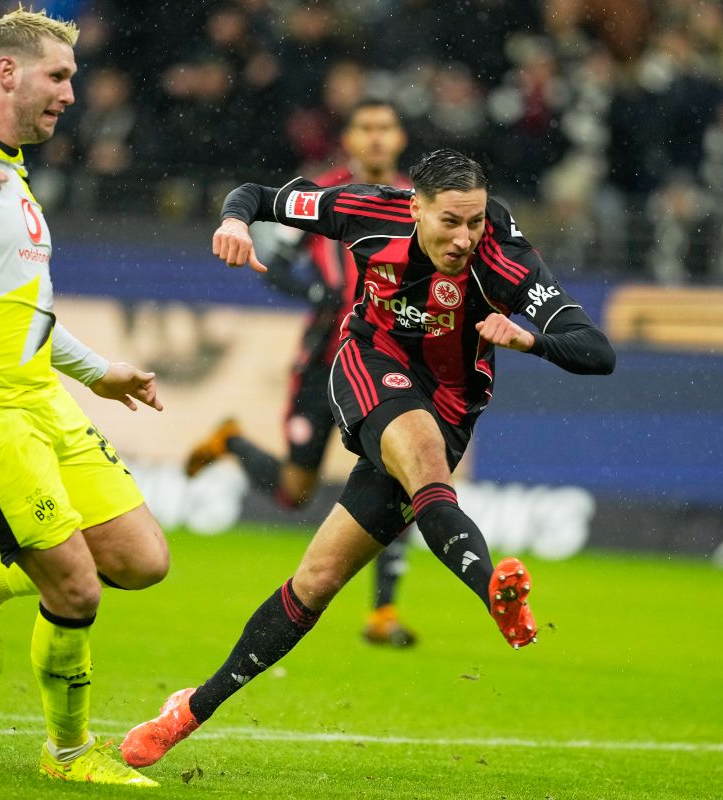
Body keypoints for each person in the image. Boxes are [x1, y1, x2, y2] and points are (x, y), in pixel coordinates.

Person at [121, 148, 616, 767]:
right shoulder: (364, 209)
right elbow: (257, 194)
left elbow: (597, 350)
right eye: (450, 223)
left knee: (316, 583)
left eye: (475, 222)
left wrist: (530, 338)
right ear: (415, 208)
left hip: (453, 409)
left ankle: (189, 711)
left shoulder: (506, 261)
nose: (464, 238)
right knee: (427, 463)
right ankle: (493, 590)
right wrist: (232, 221)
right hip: (367, 365)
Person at [0, 9, 166, 787]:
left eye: (74, 78)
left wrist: (98, 371)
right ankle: (70, 754)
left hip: (35, 391)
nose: (71, 94)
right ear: (7, 72)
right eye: (59, 76)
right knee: (77, 585)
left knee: (141, 560)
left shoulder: (13, 172)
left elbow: (24, 307)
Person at [185, 98, 420, 648]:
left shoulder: (420, 200)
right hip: (323, 359)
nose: (378, 138)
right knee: (295, 492)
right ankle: (232, 443)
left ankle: (383, 613)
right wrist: (316, 290)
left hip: (388, 357)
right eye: (366, 128)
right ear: (351, 138)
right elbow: (270, 255)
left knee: (407, 472)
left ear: (400, 137)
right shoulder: (322, 194)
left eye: (387, 127)